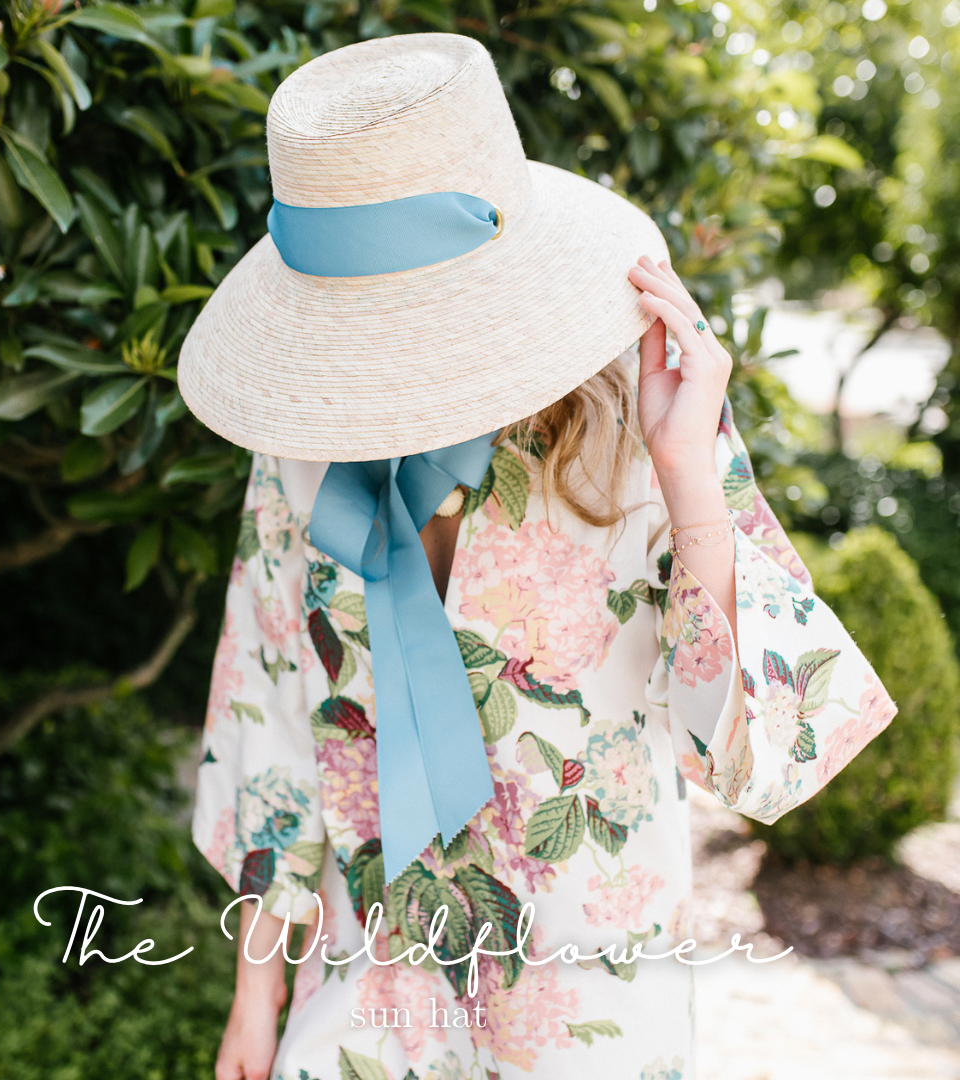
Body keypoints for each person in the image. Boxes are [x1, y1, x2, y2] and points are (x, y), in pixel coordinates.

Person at [177, 32, 898, 1080]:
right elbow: (269, 709)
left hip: (588, 1000)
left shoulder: (636, 414)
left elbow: (756, 748)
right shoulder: (300, 438)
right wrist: (257, 998)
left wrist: (690, 471)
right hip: (370, 983)